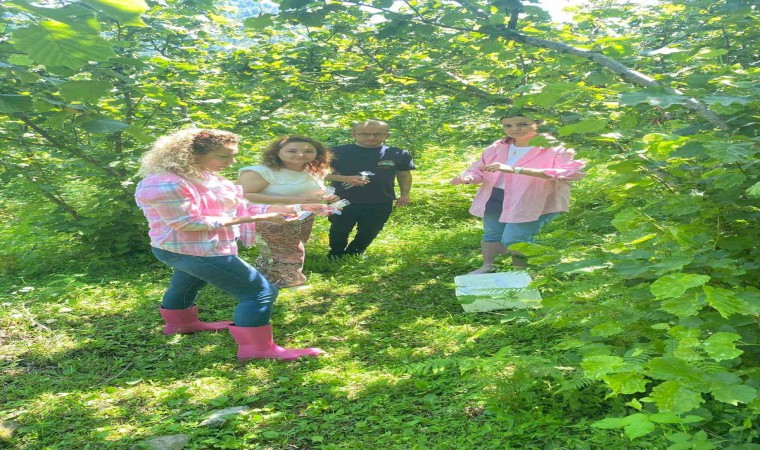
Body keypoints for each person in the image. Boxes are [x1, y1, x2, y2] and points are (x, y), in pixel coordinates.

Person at [134, 128, 332, 361]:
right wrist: (257, 218)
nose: (232, 161)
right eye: (224, 156)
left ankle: (181, 324)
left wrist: (296, 207)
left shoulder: (207, 177)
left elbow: (240, 206)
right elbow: (187, 223)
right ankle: (257, 350)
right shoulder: (166, 184)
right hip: (194, 251)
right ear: (192, 154)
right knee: (260, 292)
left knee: (188, 282)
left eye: (233, 155)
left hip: (189, 249)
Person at [451, 112, 586, 273]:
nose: (514, 129)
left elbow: (573, 172)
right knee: (493, 234)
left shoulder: (555, 148)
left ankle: (524, 272)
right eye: (508, 125)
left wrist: (516, 169)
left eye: (522, 124)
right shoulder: (497, 147)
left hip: (533, 199)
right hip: (495, 196)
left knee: (515, 239)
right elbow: (478, 169)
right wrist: (469, 177)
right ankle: (489, 267)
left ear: (538, 123)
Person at [237, 136, 337, 287]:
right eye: (292, 151)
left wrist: (328, 198)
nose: (301, 154)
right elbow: (242, 194)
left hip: (302, 217)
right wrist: (292, 199)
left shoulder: (315, 170)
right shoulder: (263, 172)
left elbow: (312, 192)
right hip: (272, 217)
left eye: (308, 151)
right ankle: (287, 282)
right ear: (277, 152)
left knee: (277, 251)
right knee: (290, 251)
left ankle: (265, 275)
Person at [325, 120, 415, 258]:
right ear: (354, 134)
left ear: (387, 135)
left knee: (370, 230)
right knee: (339, 229)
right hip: (340, 199)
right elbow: (316, 174)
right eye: (364, 134)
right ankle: (335, 254)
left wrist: (405, 194)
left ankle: (354, 253)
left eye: (377, 134)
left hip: (381, 200)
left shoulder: (398, 153)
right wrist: (344, 178)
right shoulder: (335, 152)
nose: (371, 137)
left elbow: (404, 175)